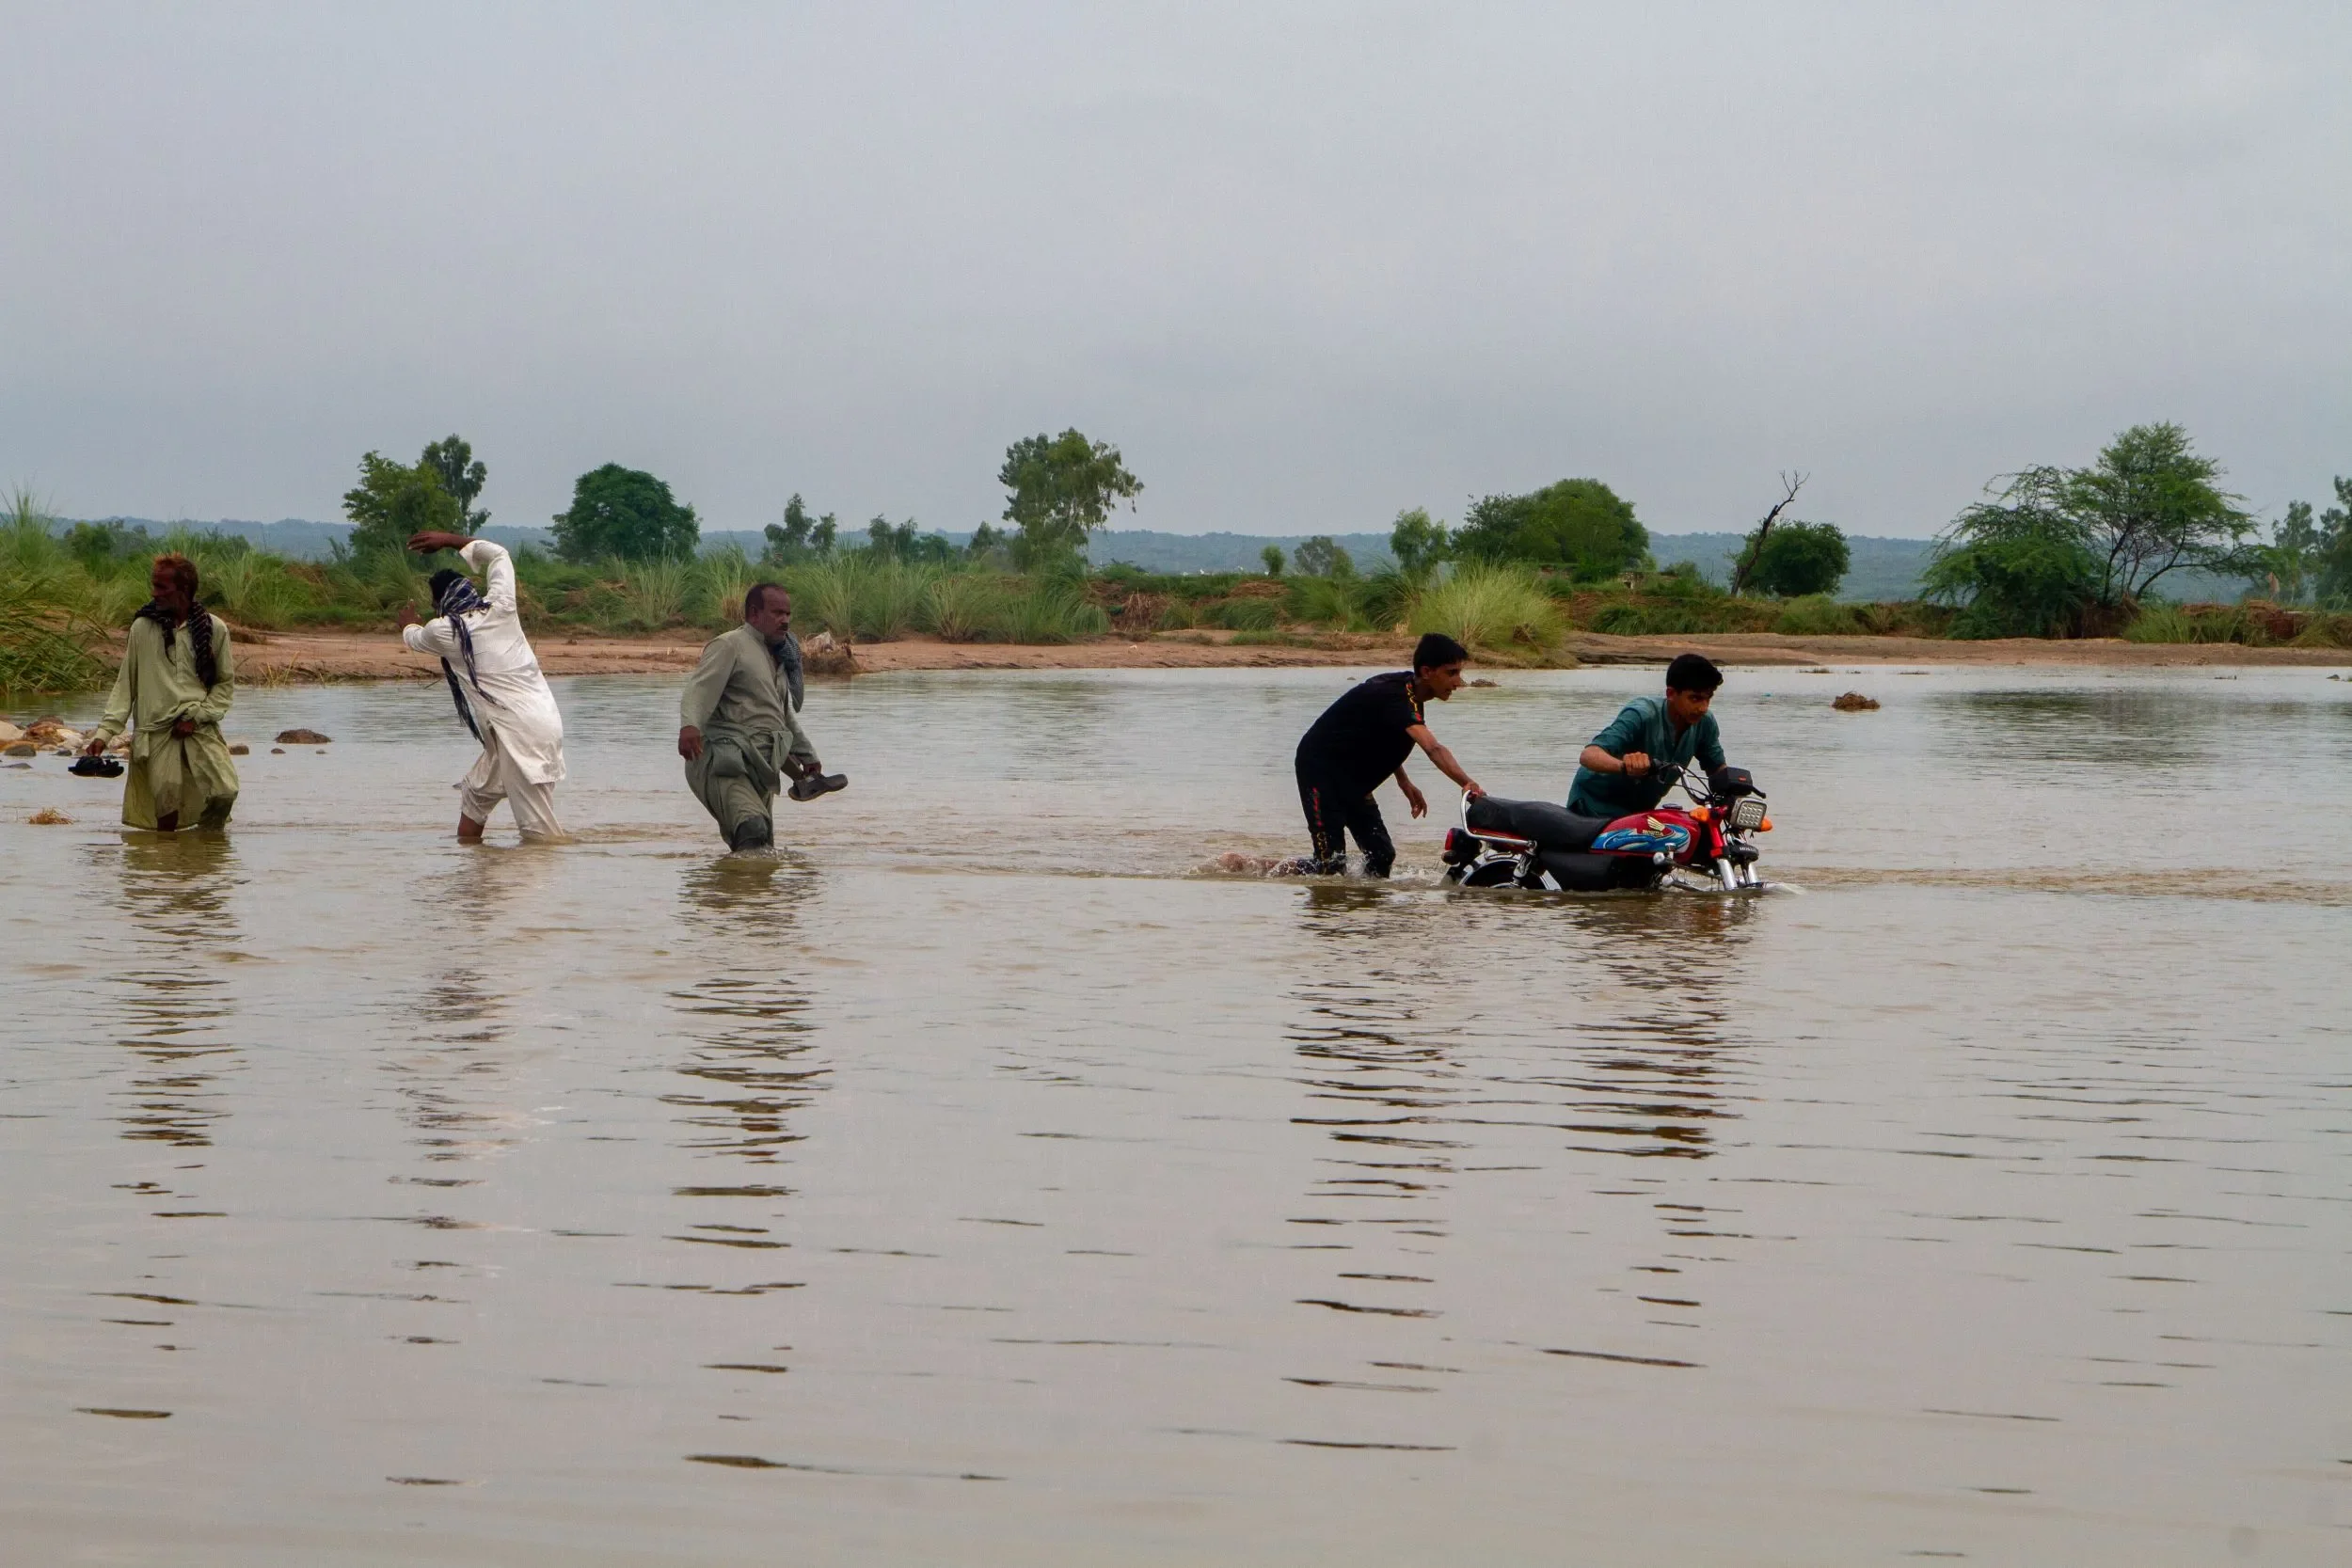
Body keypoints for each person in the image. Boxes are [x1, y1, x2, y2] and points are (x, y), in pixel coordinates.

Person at [397, 530, 567, 843]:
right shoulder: (501, 606)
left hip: (520, 734)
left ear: (441, 604)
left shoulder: (445, 630)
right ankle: (477, 881)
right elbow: (499, 554)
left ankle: (540, 890)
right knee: (475, 795)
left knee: (540, 837)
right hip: (531, 724)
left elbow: (415, 639)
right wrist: (449, 540)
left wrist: (407, 622)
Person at [1291, 632, 1485, 877]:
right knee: (1330, 863)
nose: (1458, 682)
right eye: (1451, 673)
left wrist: (1403, 781)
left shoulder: (1410, 693)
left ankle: (1367, 909)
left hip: (1353, 775)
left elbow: (1378, 736)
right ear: (1427, 672)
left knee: (1381, 856)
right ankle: (1260, 869)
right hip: (1320, 771)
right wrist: (1467, 783)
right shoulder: (1396, 697)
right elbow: (1433, 748)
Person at [677, 581, 846, 850]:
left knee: (762, 845)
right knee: (752, 829)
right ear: (754, 614)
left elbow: (781, 716)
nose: (785, 621)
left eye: (788, 615)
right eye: (777, 613)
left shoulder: (778, 656)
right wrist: (689, 726)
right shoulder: (730, 645)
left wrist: (807, 756)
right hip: (723, 762)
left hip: (762, 767)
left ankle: (737, 892)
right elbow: (698, 690)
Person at [80, 554, 239, 832]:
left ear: (184, 590)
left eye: (162, 587)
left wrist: (198, 718)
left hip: (198, 726)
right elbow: (125, 685)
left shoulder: (215, 629)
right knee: (166, 806)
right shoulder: (142, 628)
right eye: (153, 585)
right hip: (156, 733)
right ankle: (165, 862)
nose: (154, 593)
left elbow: (224, 685)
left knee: (225, 791)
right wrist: (104, 735)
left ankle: (207, 849)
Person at [1565, 652, 1727, 820]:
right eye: (1695, 698)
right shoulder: (1641, 714)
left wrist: (1735, 789)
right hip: (1593, 807)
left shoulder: (1705, 723)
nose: (1703, 708)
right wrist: (1624, 766)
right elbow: (1588, 755)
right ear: (1671, 694)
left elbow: (1717, 769)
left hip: (1639, 813)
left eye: (1708, 699)